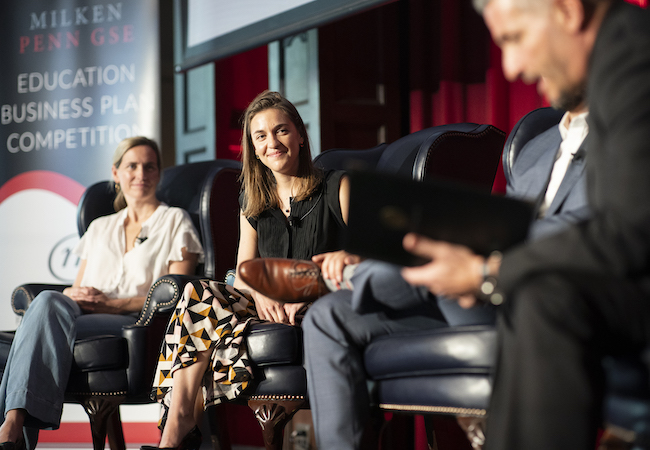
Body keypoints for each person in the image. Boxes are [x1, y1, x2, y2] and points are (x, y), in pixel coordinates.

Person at [399, 0, 650, 449]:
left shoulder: (633, 57)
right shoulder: (619, 58)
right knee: (537, 290)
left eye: (513, 38)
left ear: (568, 11)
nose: (512, 68)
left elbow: (626, 232)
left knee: (545, 293)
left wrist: (485, 272)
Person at [298, 99, 590, 448]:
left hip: (525, 292)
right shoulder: (537, 147)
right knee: (326, 316)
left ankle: (338, 279)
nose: (515, 67)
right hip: (469, 294)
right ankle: (351, 277)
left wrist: (484, 259)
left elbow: (592, 233)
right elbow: (503, 221)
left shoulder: (621, 139)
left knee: (427, 255)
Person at [149, 90, 355, 450]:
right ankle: (177, 425)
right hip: (266, 304)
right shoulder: (252, 198)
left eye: (281, 131)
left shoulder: (338, 186)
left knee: (209, 328)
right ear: (253, 147)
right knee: (197, 293)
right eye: (260, 136)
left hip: (323, 301)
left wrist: (309, 288)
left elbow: (363, 259)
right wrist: (261, 291)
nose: (272, 143)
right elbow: (243, 269)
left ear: (300, 135)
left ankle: (181, 422)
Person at [0, 136, 204, 450]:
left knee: (36, 324)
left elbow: (180, 296)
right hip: (82, 314)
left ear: (159, 174)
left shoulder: (175, 221)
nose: (141, 174)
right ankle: (13, 425)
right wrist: (74, 293)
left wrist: (112, 303)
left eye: (149, 167)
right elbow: (76, 285)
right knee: (47, 301)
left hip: (133, 319)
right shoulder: (100, 227)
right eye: (132, 166)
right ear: (115, 172)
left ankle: (12, 427)